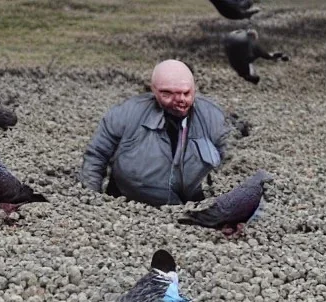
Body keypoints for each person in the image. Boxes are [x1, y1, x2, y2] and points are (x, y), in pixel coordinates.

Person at [79, 60, 228, 206]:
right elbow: (96, 156)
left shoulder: (212, 117)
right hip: (128, 207)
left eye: (186, 93)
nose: (180, 100)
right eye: (168, 94)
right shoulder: (126, 114)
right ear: (154, 90)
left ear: (194, 88)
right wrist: (92, 201)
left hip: (192, 209)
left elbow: (229, 165)